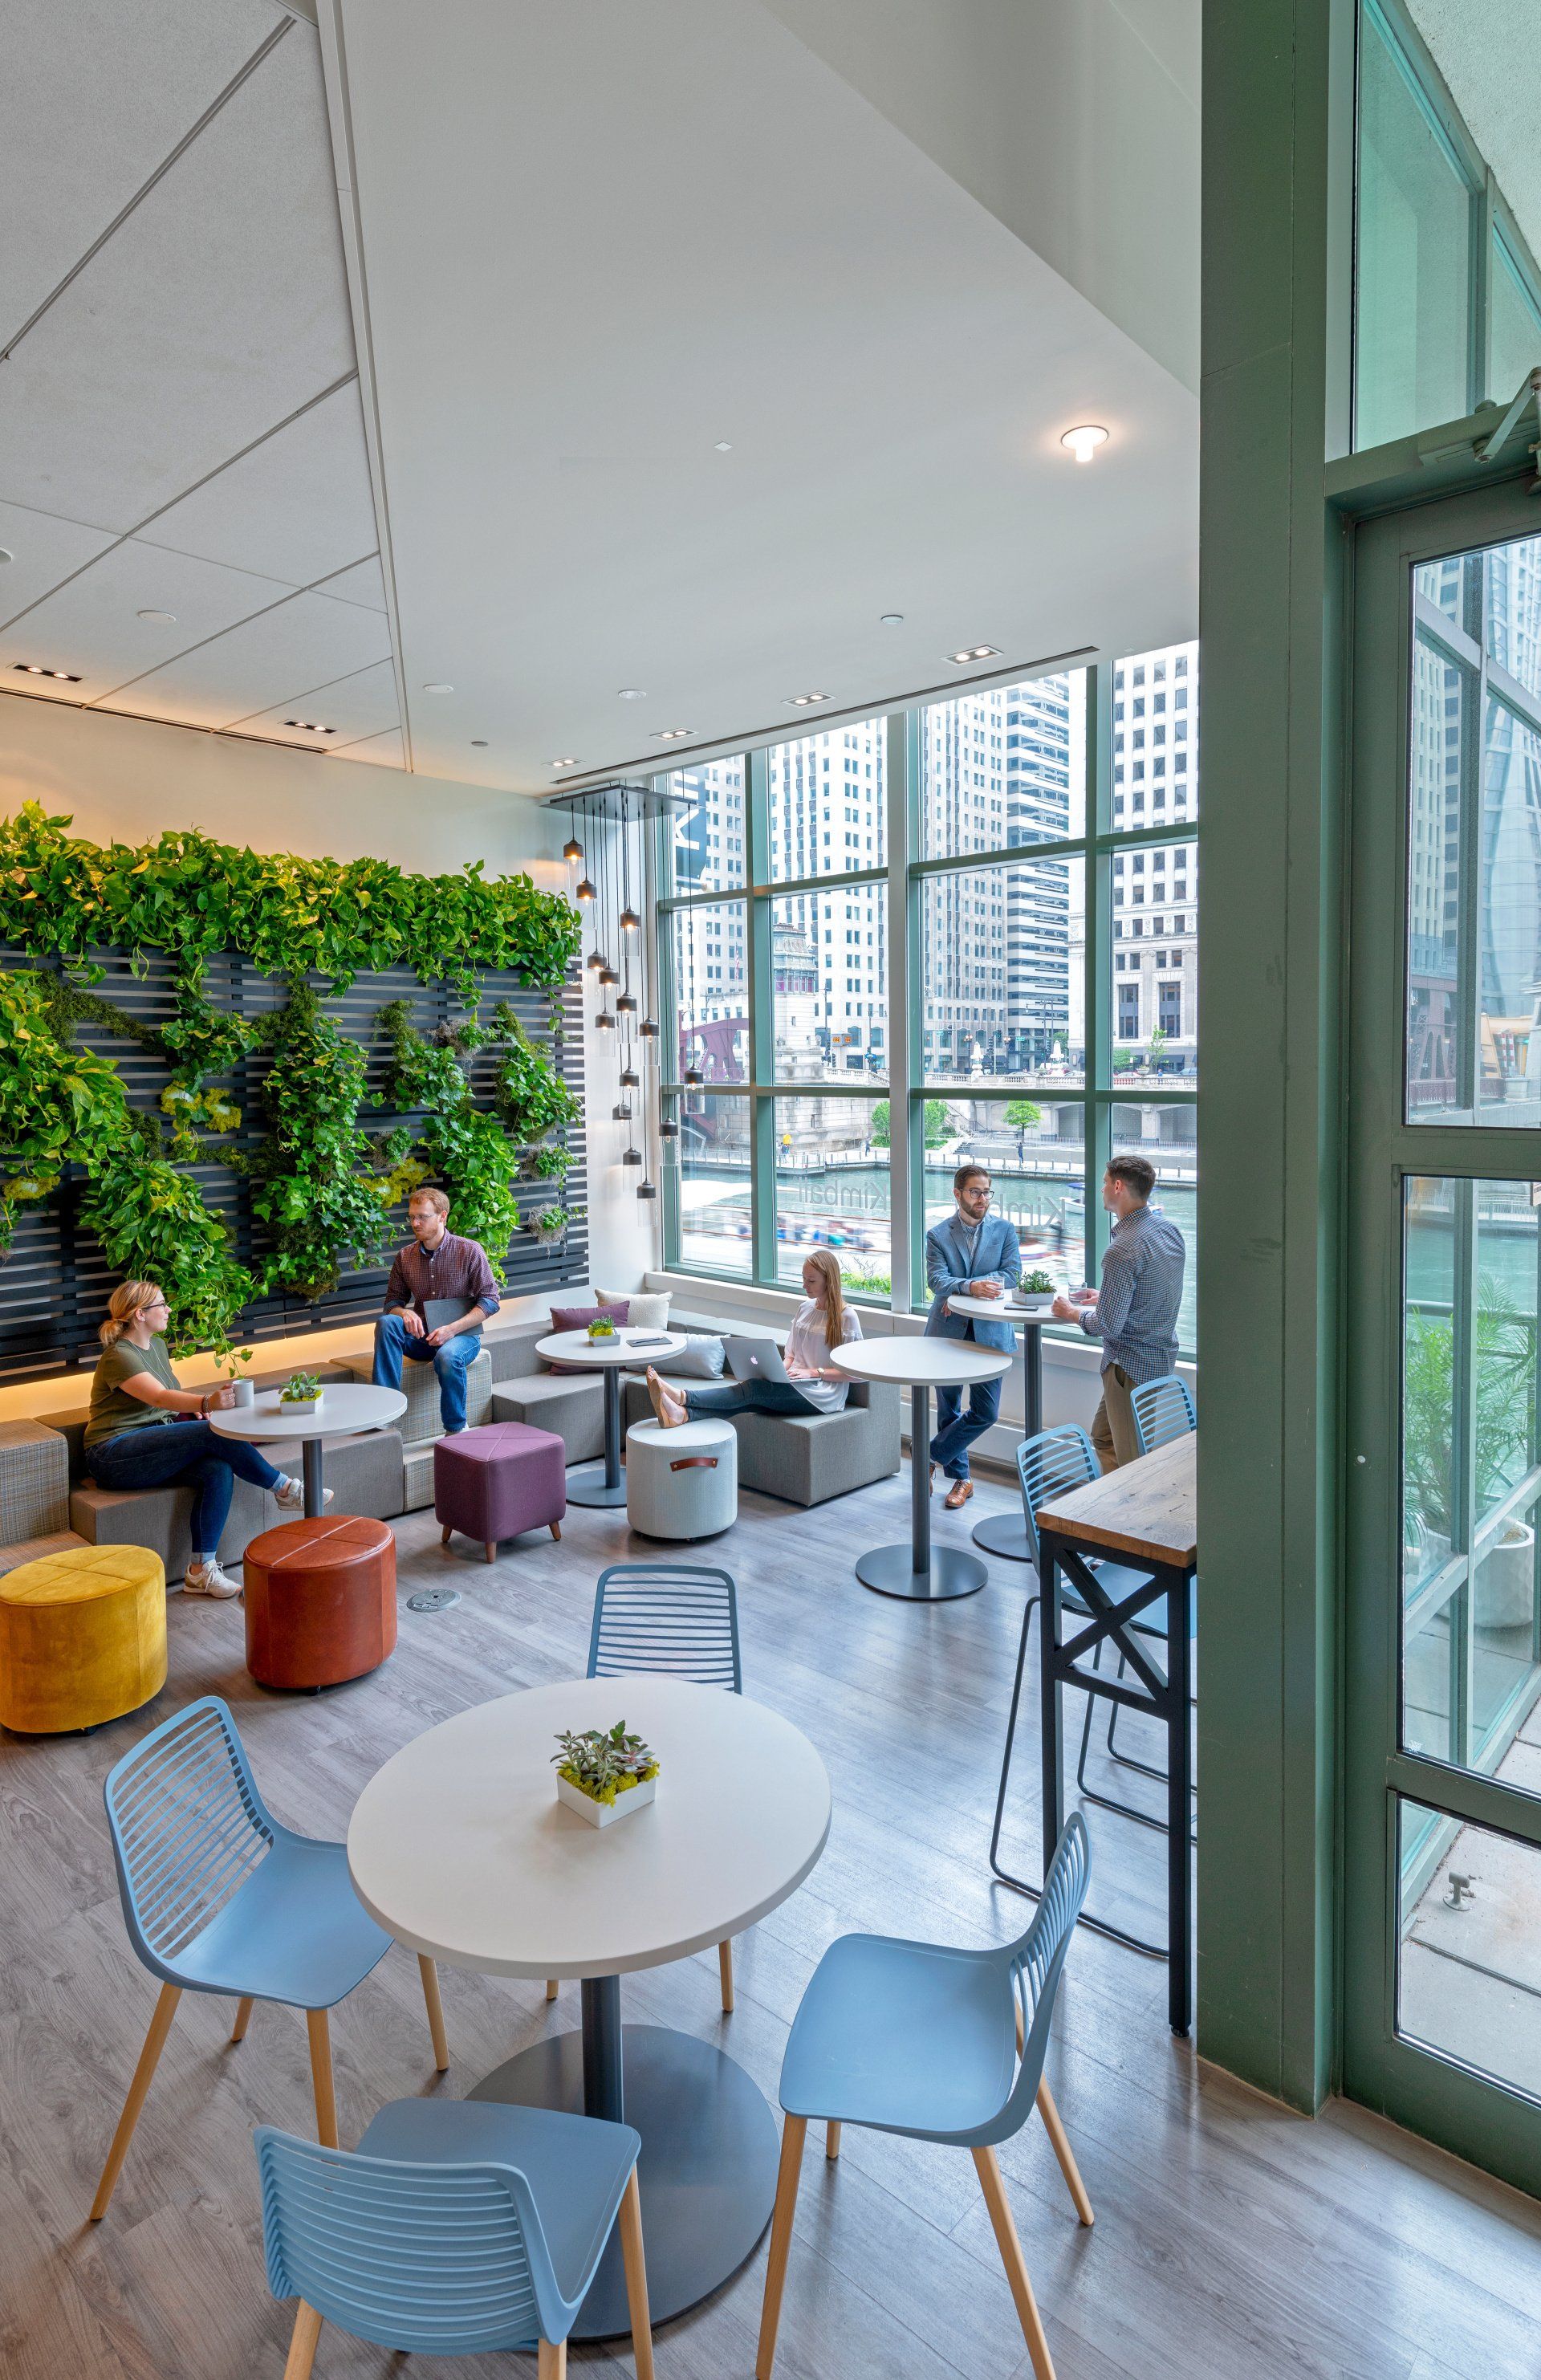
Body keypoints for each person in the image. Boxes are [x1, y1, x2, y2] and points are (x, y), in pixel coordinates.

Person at [85, 1280, 313, 1601]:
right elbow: (161, 1397)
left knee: (217, 1469)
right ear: (139, 1314)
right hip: (113, 1454)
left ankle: (200, 1571)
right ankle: (285, 1489)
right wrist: (206, 1404)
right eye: (161, 1305)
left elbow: (165, 1403)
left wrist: (196, 1412)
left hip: (151, 1446)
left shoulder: (158, 1347)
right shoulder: (118, 1355)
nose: (168, 1310)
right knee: (214, 1433)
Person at [1051, 1150, 1185, 1471]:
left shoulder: (1122, 1249)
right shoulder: (1169, 1232)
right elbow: (1156, 1293)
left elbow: (1109, 1326)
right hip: (1159, 1357)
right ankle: (1111, 1513)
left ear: (1118, 1187)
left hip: (1129, 1366)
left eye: (1103, 1182)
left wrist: (1070, 1312)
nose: (1100, 1189)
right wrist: (1107, 1296)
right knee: (1104, 1437)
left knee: (1131, 1461)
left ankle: (1124, 1519)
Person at [647, 1248, 860, 1426]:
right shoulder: (804, 1309)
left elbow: (858, 1374)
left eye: (811, 1281)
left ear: (829, 1280)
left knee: (752, 1391)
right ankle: (682, 1415)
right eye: (803, 1279)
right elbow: (791, 1355)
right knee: (751, 1400)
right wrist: (775, 1372)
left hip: (822, 1396)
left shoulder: (846, 1317)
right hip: (794, 1384)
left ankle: (683, 1397)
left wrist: (815, 1372)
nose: (804, 1285)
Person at [924, 1163, 1021, 1507]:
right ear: (958, 1194)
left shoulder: (1005, 1230)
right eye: (975, 1192)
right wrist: (968, 1287)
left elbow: (1013, 1274)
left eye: (986, 1192)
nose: (982, 1199)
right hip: (947, 1333)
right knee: (948, 1408)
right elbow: (937, 1281)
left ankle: (928, 1457)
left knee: (986, 1412)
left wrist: (965, 1290)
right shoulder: (937, 1234)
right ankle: (962, 1480)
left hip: (991, 1336)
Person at [372, 1186, 500, 1436]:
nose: (415, 1223)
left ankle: (455, 1428)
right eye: (412, 1217)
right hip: (422, 1337)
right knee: (387, 1323)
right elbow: (392, 1302)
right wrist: (403, 1313)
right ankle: (384, 1413)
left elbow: (491, 1300)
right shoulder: (405, 1256)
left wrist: (452, 1329)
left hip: (462, 1337)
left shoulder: (469, 1250)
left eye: (422, 1216)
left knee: (447, 1357)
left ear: (442, 1216)